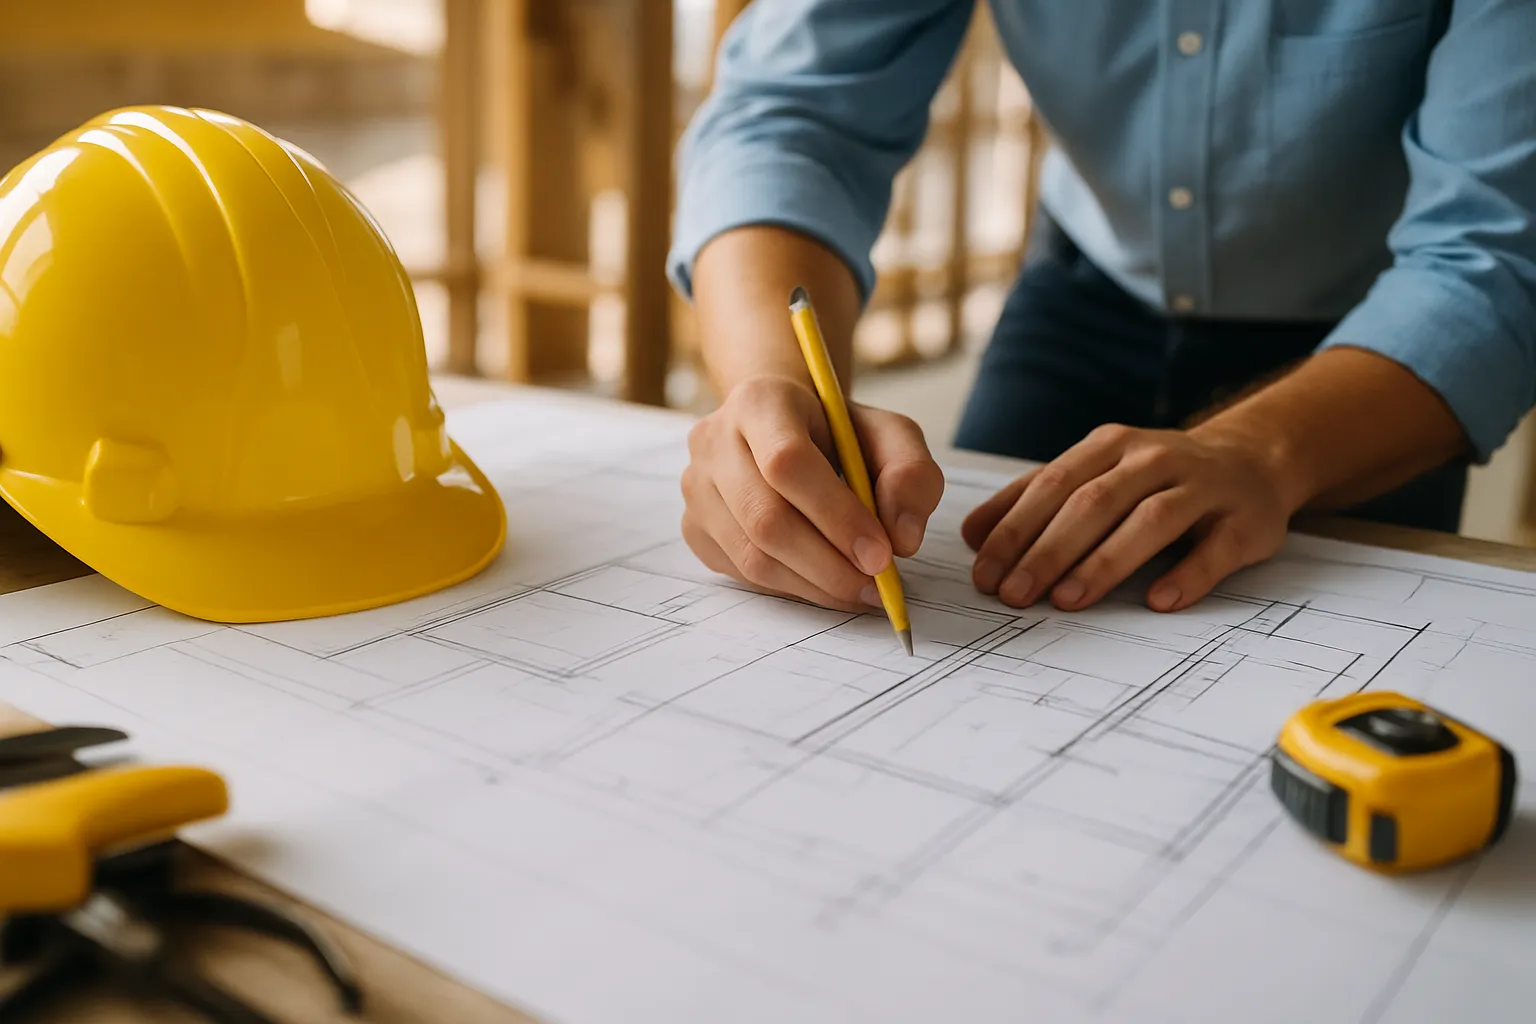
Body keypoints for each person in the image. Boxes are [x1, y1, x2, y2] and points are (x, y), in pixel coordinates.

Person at [666, 1, 1536, 616]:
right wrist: (775, 393)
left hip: (1372, 346)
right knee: (960, 562)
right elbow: (790, 118)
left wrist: (1263, 454)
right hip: (1087, 282)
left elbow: (1497, 254)